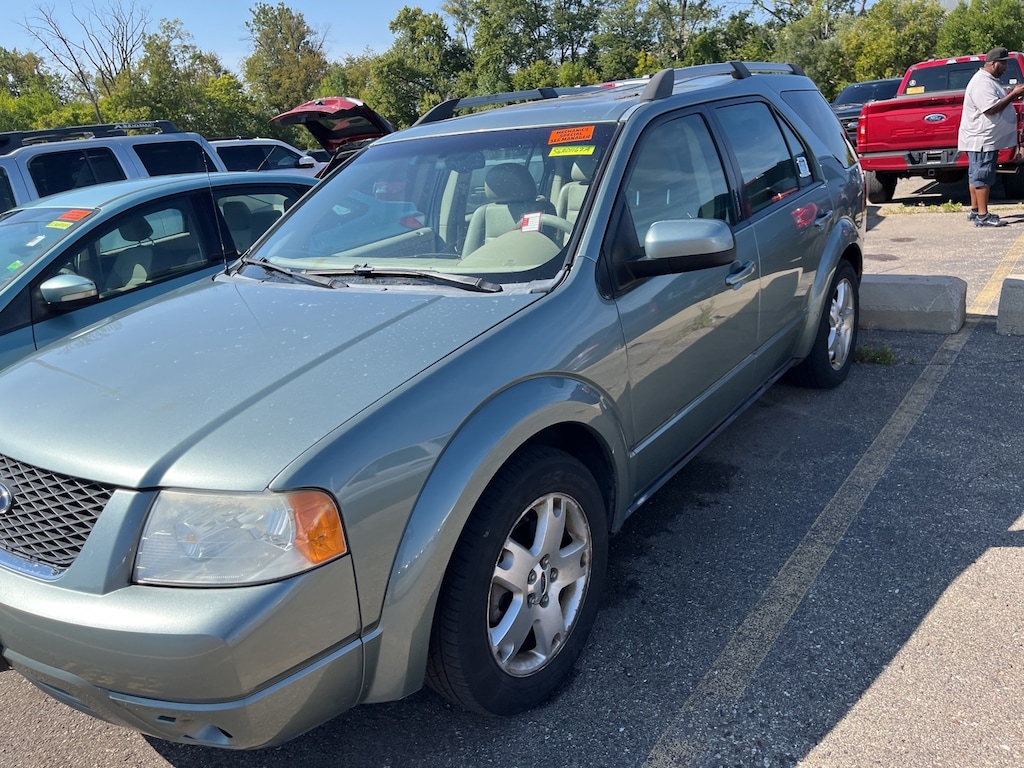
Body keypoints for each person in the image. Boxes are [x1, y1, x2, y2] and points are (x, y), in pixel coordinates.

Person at [958, 47, 1024, 227]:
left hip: (983, 138)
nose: (1005, 68)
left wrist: (1011, 94)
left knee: (976, 175)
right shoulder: (982, 82)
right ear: (993, 64)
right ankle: (982, 216)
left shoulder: (988, 80)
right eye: (1003, 64)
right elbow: (990, 109)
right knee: (982, 175)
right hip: (982, 139)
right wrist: (1013, 95)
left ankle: (975, 210)